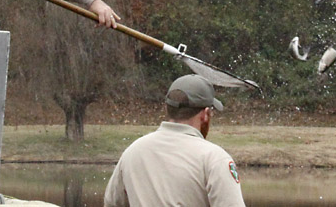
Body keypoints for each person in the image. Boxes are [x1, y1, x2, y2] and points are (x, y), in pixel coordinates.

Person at [104, 74, 246, 207]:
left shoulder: (133, 151)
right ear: (206, 114)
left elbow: (111, 202)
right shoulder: (215, 159)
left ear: (168, 108)